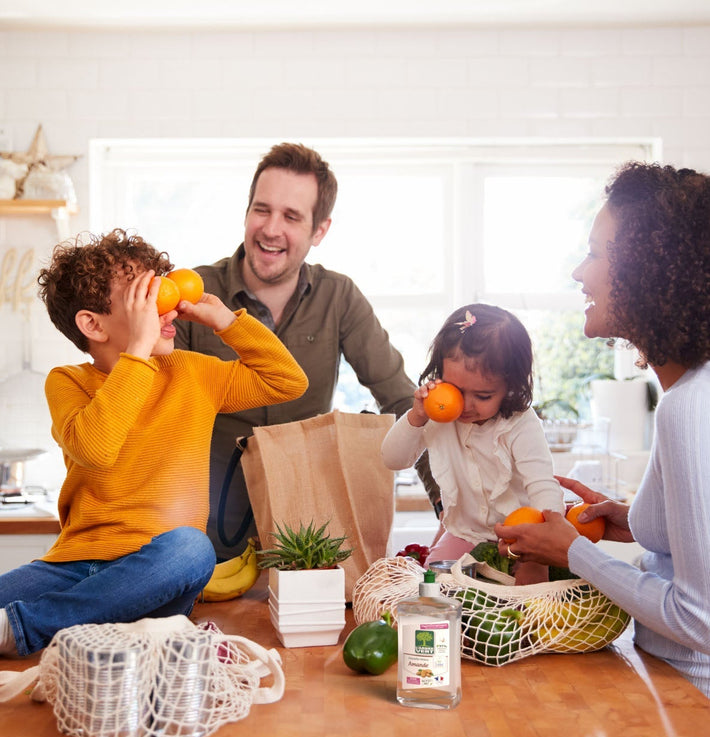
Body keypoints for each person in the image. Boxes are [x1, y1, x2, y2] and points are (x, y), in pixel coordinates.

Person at [0, 229, 307, 657]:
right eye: (145, 296)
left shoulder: (192, 373)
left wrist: (227, 322)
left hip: (157, 571)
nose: (164, 304)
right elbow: (97, 447)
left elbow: (287, 381)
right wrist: (140, 351)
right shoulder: (69, 382)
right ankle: (97, 626)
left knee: (192, 548)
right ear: (92, 324)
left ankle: (29, 628)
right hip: (72, 568)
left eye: (161, 285)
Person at [494, 162, 710, 697]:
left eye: (595, 253)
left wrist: (574, 554)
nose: (578, 273)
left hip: (693, 705)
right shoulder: (692, 391)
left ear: (647, 271)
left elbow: (700, 622)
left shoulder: (689, 408)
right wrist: (632, 521)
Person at [175, 142, 437, 560]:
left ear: (319, 230)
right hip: (201, 534)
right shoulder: (194, 294)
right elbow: (155, 416)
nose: (271, 228)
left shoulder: (339, 297)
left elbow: (406, 403)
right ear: (246, 213)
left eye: (291, 216)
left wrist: (449, 512)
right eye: (262, 209)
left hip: (305, 537)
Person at [381, 303, 564, 585]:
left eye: (483, 395)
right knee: (435, 586)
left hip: (522, 537)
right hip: (464, 533)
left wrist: (541, 551)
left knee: (529, 597)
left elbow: (543, 487)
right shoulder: (436, 413)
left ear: (510, 387)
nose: (465, 405)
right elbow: (393, 459)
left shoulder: (521, 423)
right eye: (456, 389)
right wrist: (416, 416)